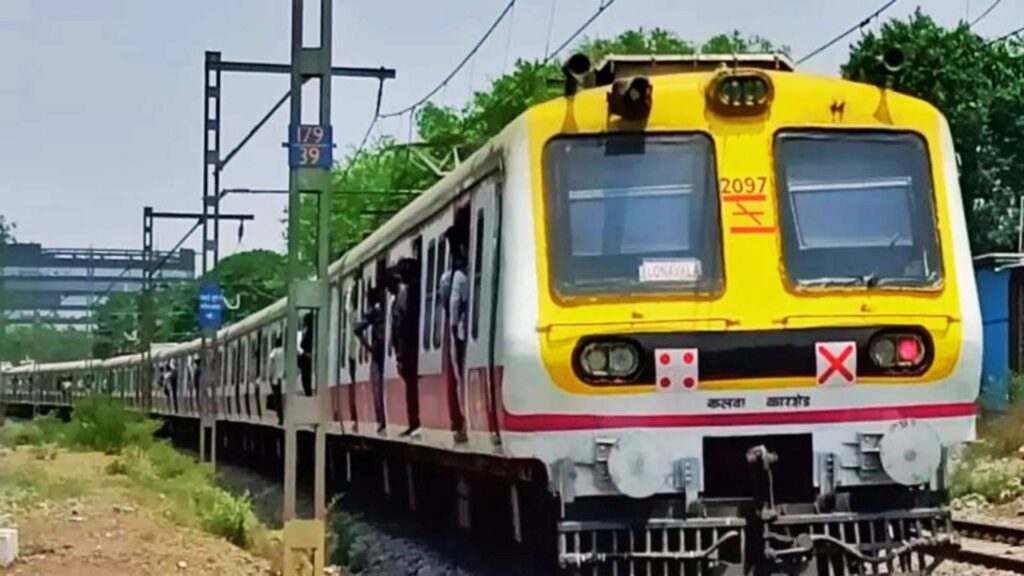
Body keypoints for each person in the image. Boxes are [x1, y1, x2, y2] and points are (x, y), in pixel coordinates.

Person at [392, 260, 421, 436]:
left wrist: (399, 352)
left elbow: (399, 326)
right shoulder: (421, 288)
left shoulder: (403, 296)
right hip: (418, 344)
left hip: (408, 347)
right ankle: (416, 421)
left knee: (411, 387)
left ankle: (414, 421)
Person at [355, 286, 387, 434]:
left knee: (376, 384)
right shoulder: (385, 310)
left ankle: (381, 419)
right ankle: (383, 419)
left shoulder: (372, 311)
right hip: (384, 349)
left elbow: (357, 329)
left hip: (376, 351)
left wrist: (367, 346)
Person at [448, 242, 470, 443]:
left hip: (462, 334)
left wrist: (453, 329)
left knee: (460, 379)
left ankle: (464, 421)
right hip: (471, 332)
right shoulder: (469, 273)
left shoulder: (458, 277)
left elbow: (454, 305)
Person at [268, 333, 285, 426]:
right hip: (283, 377)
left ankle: (280, 418)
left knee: (277, 399)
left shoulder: (274, 352)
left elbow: (270, 365)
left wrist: (270, 377)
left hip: (276, 378)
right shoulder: (284, 351)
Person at [298, 313, 314, 397]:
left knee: (305, 378)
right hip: (308, 357)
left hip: (308, 357)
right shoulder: (309, 330)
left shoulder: (310, 330)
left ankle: (308, 393)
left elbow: (303, 344)